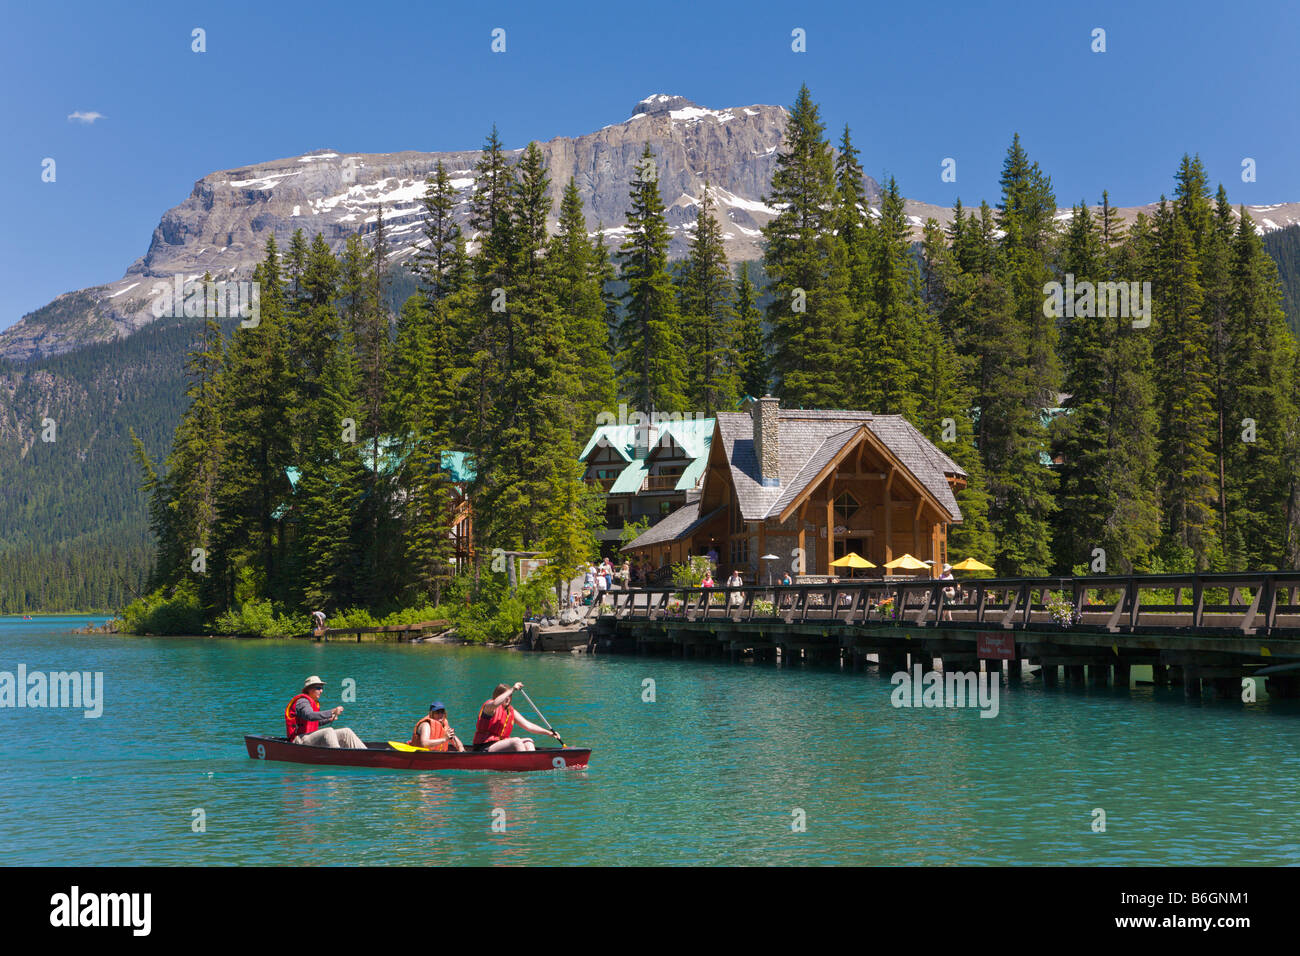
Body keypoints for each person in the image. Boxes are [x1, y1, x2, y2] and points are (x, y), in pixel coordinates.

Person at [472, 682, 560, 752]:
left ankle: (533, 764)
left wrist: (549, 733)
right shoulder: (489, 707)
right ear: (498, 696)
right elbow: (495, 703)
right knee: (516, 741)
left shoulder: (510, 711)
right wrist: (512, 689)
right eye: (505, 696)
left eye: (510, 696)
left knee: (528, 741)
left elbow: (528, 726)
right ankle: (526, 765)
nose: (508, 698)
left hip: (500, 744)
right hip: (484, 747)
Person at [284, 676, 366, 748]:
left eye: (322, 688)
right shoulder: (302, 702)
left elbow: (315, 722)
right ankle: (338, 755)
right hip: (299, 740)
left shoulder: (314, 703)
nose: (321, 691)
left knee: (346, 732)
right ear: (309, 689)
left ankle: (365, 753)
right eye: (318, 688)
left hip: (309, 737)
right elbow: (309, 715)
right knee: (328, 731)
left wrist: (329, 719)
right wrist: (332, 711)